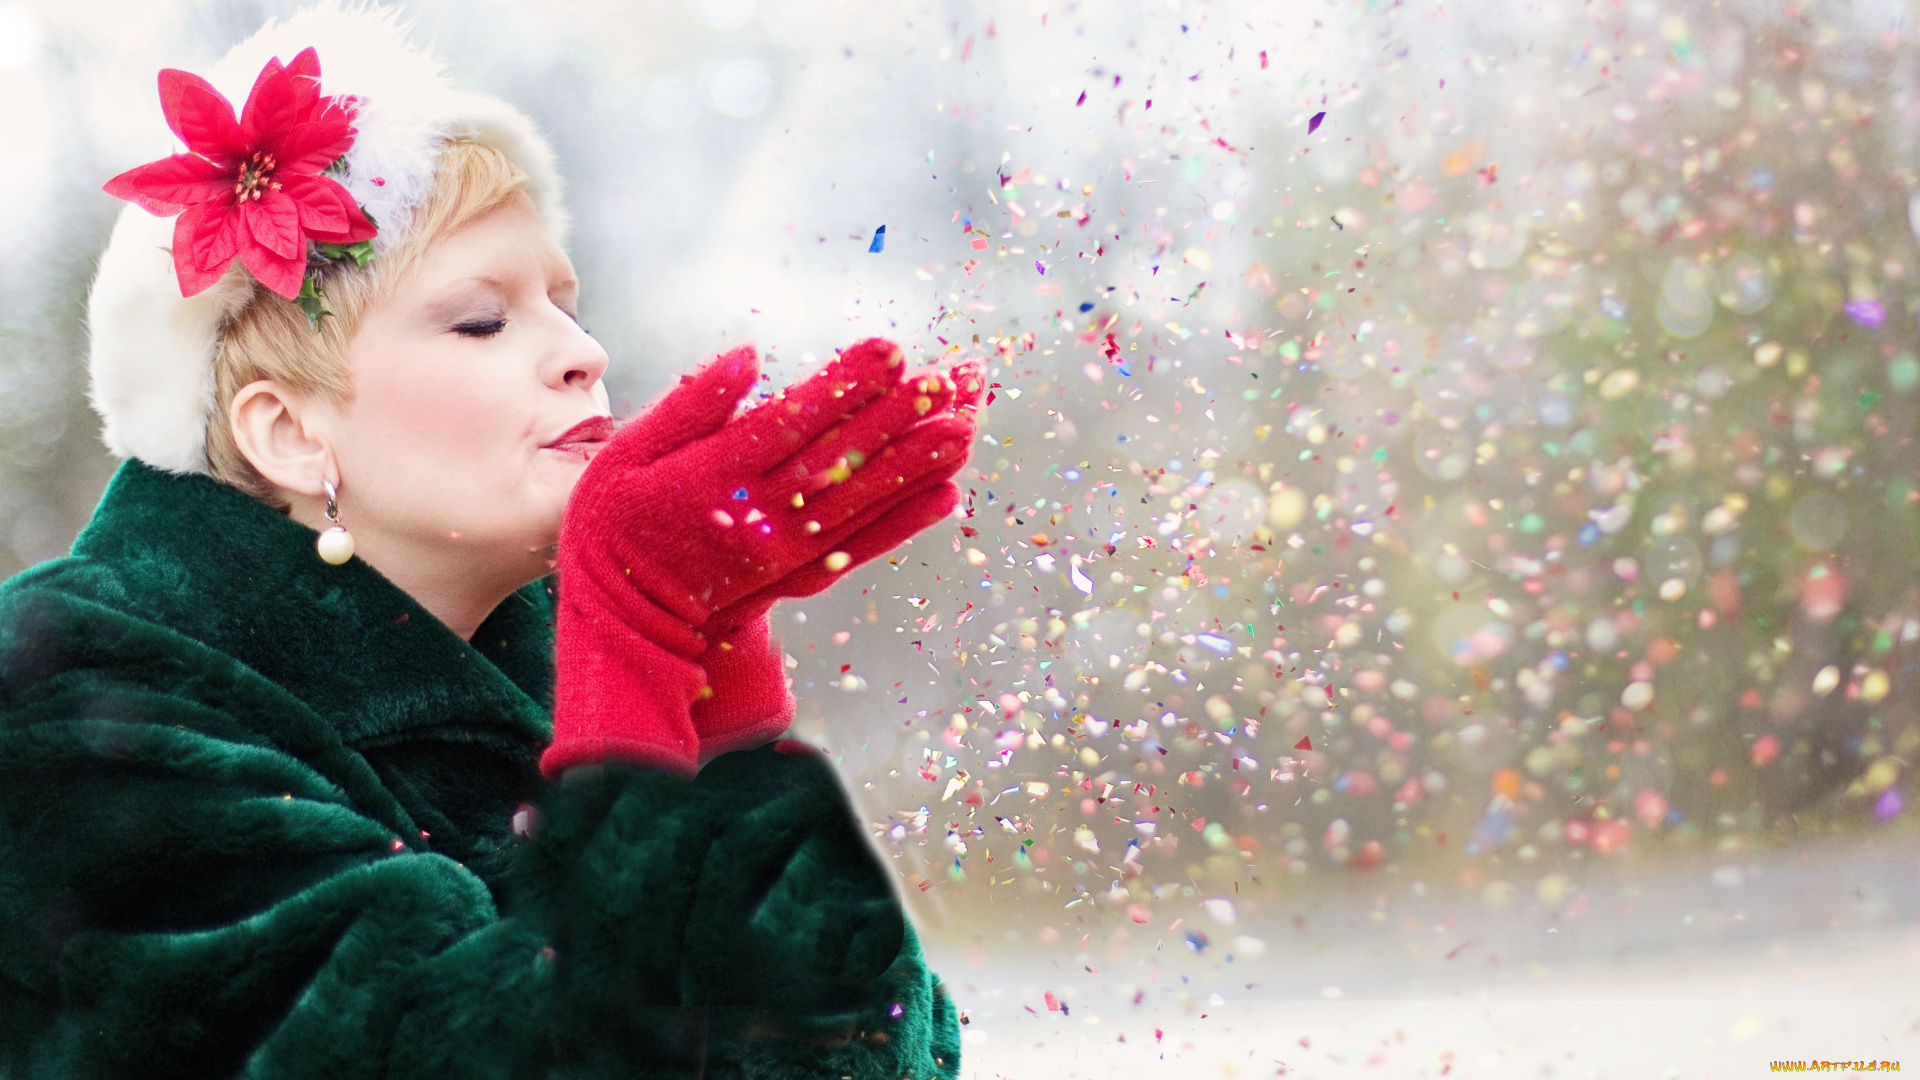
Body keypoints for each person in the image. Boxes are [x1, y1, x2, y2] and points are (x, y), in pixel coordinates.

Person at [0, 5, 976, 1078]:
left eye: (567, 305)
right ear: (288, 431)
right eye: (481, 319)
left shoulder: (567, 673)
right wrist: (637, 656)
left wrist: (715, 687)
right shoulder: (73, 696)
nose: (583, 353)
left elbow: (887, 1058)